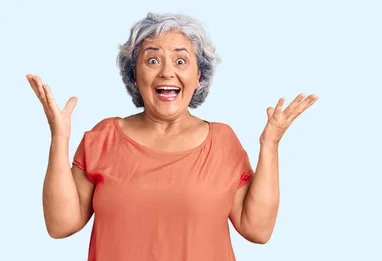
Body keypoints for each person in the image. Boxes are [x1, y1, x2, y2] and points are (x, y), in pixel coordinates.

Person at [25, 12, 318, 261]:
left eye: (181, 61)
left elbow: (258, 229)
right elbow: (60, 225)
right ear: (134, 74)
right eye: (153, 60)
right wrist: (59, 138)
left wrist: (270, 145)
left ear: (198, 76)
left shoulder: (223, 142)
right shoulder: (103, 138)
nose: (167, 72)